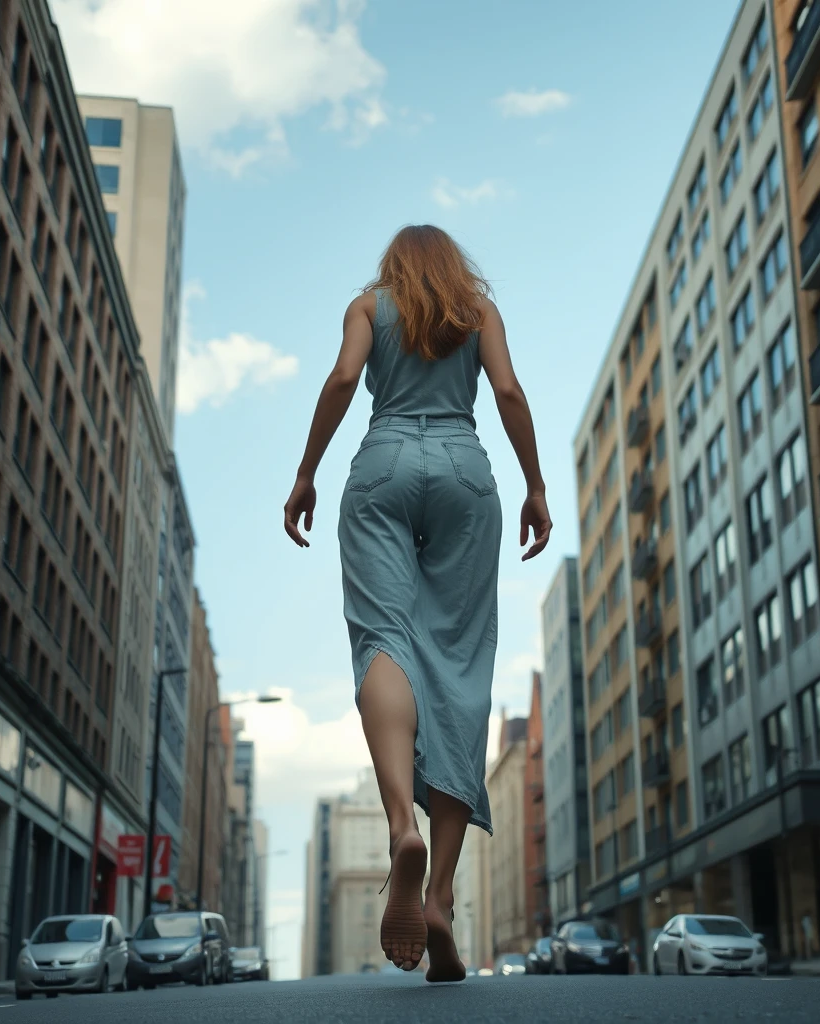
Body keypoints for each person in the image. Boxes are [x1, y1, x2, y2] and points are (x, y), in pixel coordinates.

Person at [284, 225, 551, 982]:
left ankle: (403, 825)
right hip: (466, 469)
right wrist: (534, 485)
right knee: (460, 670)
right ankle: (437, 896)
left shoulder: (367, 306)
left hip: (382, 464)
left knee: (384, 642)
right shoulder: (476, 311)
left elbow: (341, 382)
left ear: (394, 265)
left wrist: (305, 474)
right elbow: (506, 392)